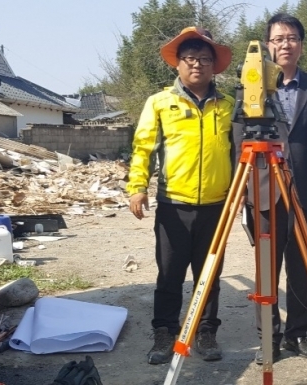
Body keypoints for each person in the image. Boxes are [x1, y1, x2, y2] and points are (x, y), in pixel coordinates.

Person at [126, 26, 235, 365]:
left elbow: (239, 152)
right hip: (174, 205)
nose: (197, 65)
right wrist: (137, 186)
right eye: (190, 59)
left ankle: (206, 331)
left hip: (217, 206)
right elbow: (143, 147)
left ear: (214, 66)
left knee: (210, 275)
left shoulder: (229, 106)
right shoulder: (159, 103)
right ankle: (164, 332)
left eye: (204, 59)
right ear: (178, 64)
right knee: (170, 274)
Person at [233, 13, 307, 365]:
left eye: (291, 38)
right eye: (278, 39)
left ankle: (298, 334)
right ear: (268, 45)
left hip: (304, 190)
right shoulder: (249, 86)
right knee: (265, 270)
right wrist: (241, 187)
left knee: (301, 268)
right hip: (262, 190)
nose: (284, 44)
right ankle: (268, 338)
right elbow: (237, 140)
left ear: (301, 45)